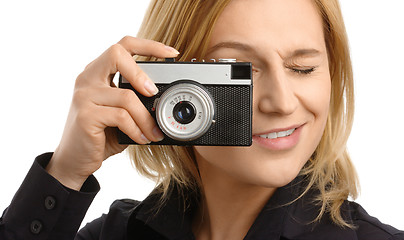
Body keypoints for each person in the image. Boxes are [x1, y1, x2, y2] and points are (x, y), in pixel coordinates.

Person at [1, 0, 403, 239]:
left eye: (302, 67)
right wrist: (65, 173)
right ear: (160, 80)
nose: (281, 102)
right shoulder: (116, 235)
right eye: (236, 68)